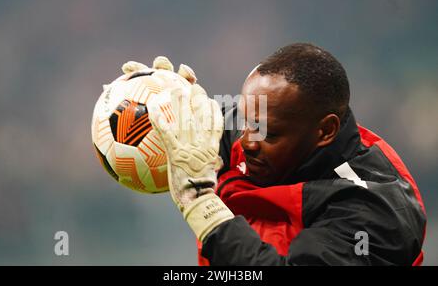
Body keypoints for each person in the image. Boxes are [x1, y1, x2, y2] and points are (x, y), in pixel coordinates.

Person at [144, 43, 427, 266]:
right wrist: (148, 101)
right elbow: (180, 132)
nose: (246, 142)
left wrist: (203, 208)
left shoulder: (374, 212)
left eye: (268, 133)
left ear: (325, 131)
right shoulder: (258, 128)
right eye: (245, 122)